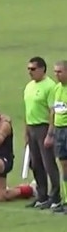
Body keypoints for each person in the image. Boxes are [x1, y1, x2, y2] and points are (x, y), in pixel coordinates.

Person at [23, 56, 60, 209]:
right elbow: (27, 110)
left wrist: (50, 133)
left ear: (42, 69)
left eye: (33, 69)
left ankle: (56, 195)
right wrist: (26, 131)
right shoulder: (29, 86)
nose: (30, 72)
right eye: (28, 69)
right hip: (32, 127)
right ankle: (42, 195)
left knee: (48, 163)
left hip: (43, 127)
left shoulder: (50, 86)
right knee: (35, 163)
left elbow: (53, 111)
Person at [49, 60, 67, 213]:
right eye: (55, 72)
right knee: (64, 166)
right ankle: (65, 201)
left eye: (59, 72)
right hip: (60, 131)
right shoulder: (57, 89)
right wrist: (51, 131)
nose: (56, 75)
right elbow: (54, 111)